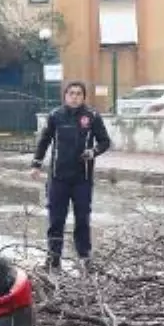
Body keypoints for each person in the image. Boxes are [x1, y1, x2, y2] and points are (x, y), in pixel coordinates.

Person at [30, 81, 112, 271]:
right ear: (65, 96)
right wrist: (36, 164)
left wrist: (93, 152)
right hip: (58, 178)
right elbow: (44, 140)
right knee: (56, 219)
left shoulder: (92, 116)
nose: (74, 97)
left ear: (83, 97)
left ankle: (84, 257)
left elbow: (105, 141)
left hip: (82, 179)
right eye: (71, 93)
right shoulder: (55, 116)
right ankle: (54, 257)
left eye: (78, 94)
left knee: (82, 218)